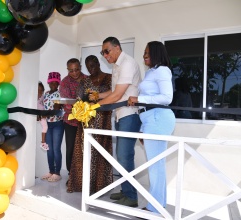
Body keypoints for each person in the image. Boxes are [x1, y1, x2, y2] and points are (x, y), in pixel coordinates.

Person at [128, 41, 176, 214]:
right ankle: (159, 205)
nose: (144, 55)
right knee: (157, 165)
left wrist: (140, 100)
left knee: (155, 166)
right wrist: (142, 127)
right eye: (144, 52)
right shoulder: (151, 72)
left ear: (156, 52)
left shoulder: (163, 70)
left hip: (158, 118)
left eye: (147, 52)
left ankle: (154, 209)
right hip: (150, 119)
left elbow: (166, 98)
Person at [96, 37, 142, 207]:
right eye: (102, 53)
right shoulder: (117, 65)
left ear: (117, 48)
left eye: (106, 51)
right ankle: (126, 190)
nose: (105, 55)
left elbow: (116, 95)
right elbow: (114, 92)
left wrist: (93, 107)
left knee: (125, 156)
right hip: (120, 115)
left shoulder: (128, 63)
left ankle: (131, 197)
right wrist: (97, 96)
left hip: (130, 115)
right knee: (122, 157)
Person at [67, 55, 113, 194]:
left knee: (100, 152)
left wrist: (97, 99)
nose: (90, 69)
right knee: (85, 152)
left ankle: (100, 186)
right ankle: (82, 185)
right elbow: (79, 99)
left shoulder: (109, 78)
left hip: (103, 121)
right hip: (87, 122)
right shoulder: (84, 81)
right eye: (88, 67)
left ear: (99, 63)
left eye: (93, 65)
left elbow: (115, 96)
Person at [59, 58, 87, 178]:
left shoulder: (87, 79)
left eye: (76, 70)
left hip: (85, 121)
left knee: (84, 148)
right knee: (70, 148)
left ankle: (85, 175)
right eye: (71, 71)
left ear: (80, 67)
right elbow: (68, 105)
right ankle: (72, 176)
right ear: (67, 70)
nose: (74, 73)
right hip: (70, 122)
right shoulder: (64, 82)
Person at [41, 72, 64, 182]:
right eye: (51, 82)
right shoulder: (46, 94)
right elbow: (42, 106)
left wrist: (45, 114)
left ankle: (57, 173)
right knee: (49, 149)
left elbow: (56, 109)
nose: (54, 84)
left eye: (56, 82)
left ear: (58, 83)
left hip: (57, 124)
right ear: (49, 83)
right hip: (48, 125)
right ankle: (51, 171)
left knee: (56, 149)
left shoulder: (59, 94)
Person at [37, 82, 49, 150]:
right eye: (39, 90)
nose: (40, 92)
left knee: (45, 127)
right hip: (38, 114)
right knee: (45, 127)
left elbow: (45, 103)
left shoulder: (42, 97)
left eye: (42, 90)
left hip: (43, 114)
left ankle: (43, 142)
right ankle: (43, 142)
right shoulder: (33, 98)